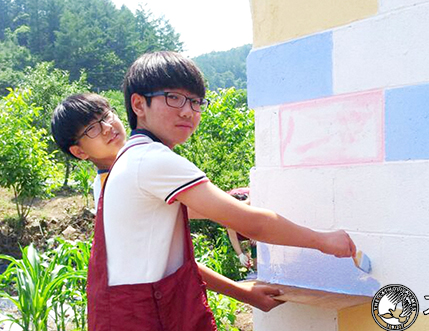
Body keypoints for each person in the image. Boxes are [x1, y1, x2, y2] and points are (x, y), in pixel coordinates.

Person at [93, 51, 356, 330]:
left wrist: (244, 293)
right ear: (138, 104)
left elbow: (174, 266)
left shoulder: (129, 160)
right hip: (147, 317)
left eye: (196, 102)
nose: (188, 111)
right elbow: (252, 224)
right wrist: (323, 240)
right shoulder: (153, 159)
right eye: (174, 98)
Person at [50, 93, 287, 316]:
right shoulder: (119, 181)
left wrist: (240, 205)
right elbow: (171, 265)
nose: (107, 128)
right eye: (92, 128)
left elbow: (200, 208)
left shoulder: (121, 174)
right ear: (79, 151)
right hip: (144, 313)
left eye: (106, 116)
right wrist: (242, 292)